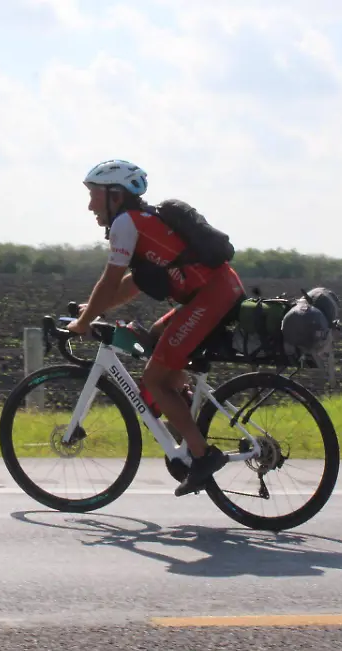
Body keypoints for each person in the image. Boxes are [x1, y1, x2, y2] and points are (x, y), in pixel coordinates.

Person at [65, 159, 246, 497]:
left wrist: (84, 322)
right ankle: (185, 412)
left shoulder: (127, 224)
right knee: (154, 340)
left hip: (211, 296)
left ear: (115, 195)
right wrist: (90, 310)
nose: (90, 205)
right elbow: (131, 286)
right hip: (212, 292)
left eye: (94, 196)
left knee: (153, 379)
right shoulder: (142, 223)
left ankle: (203, 457)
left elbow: (110, 282)